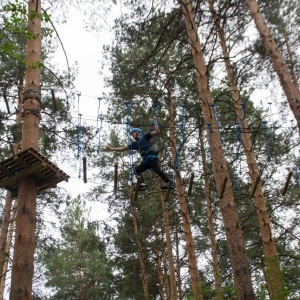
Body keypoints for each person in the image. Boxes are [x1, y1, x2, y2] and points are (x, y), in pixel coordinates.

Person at [103, 116, 172, 190]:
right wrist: (111, 149)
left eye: (133, 133)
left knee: (156, 169)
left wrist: (155, 122)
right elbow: (123, 148)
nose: (132, 135)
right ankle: (142, 184)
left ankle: (168, 182)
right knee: (137, 170)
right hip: (146, 160)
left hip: (151, 157)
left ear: (138, 133)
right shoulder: (135, 144)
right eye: (132, 134)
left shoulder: (145, 136)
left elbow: (157, 132)